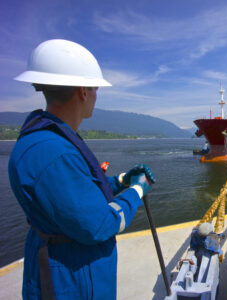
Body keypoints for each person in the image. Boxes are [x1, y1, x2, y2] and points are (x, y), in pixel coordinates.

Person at [8, 39, 155, 300]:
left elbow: (78, 193)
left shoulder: (46, 139)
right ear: (83, 92)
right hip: (70, 279)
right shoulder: (53, 152)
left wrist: (121, 180)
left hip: (66, 268)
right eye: (96, 88)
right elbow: (97, 224)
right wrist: (136, 190)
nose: (97, 95)